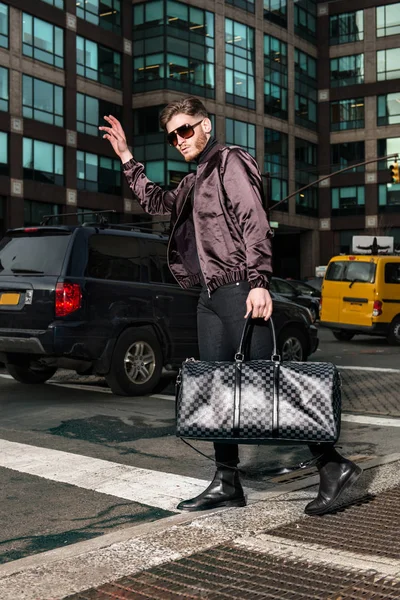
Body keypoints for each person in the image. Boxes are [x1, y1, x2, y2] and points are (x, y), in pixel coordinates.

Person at [99, 96, 362, 516]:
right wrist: (128, 158)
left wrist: (259, 282)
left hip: (240, 289)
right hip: (209, 295)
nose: (179, 140)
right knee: (218, 391)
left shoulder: (230, 162)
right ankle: (226, 482)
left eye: (185, 130)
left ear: (206, 124)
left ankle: (332, 465)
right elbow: (158, 204)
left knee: (269, 383)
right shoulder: (194, 179)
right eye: (172, 136)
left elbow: (254, 221)